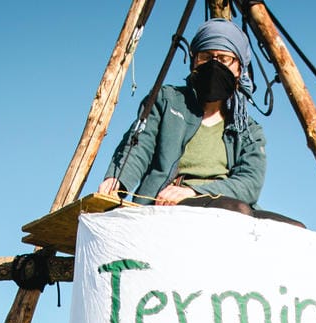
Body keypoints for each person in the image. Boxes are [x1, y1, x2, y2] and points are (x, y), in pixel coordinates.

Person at [96, 17, 267, 209]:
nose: (214, 64)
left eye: (224, 58)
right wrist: (117, 179)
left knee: (294, 228)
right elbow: (139, 146)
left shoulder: (247, 130)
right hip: (167, 201)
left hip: (222, 204)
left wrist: (194, 193)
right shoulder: (167, 101)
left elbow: (250, 183)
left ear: (239, 69)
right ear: (194, 61)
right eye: (206, 56)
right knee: (238, 210)